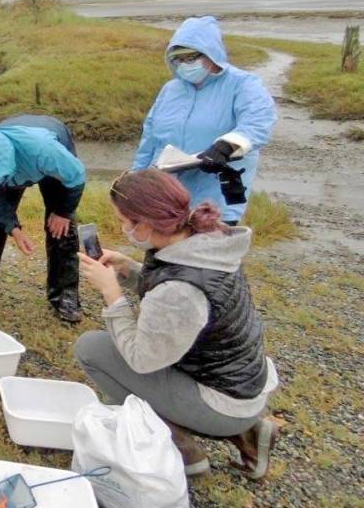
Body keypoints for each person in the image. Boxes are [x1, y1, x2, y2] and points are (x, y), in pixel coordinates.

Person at [75, 169, 280, 479]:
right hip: (240, 385)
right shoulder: (205, 244)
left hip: (224, 403)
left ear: (143, 224)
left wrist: (112, 294)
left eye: (123, 220)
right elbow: (178, 289)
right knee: (116, 350)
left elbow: (141, 358)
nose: (121, 227)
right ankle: (250, 434)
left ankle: (181, 451)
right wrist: (128, 270)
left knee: (92, 348)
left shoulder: (180, 291)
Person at [133, 15, 276, 224]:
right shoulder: (171, 90)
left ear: (211, 53)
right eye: (178, 59)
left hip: (215, 204)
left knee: (207, 255)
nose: (184, 64)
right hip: (166, 203)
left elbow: (258, 122)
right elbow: (150, 139)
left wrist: (226, 146)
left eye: (191, 57)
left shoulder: (243, 85)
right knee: (160, 256)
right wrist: (136, 178)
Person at [0, 114, 87, 323]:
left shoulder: (46, 151)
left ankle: (65, 296)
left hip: (45, 154)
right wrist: (13, 228)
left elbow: (76, 177)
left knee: (61, 229)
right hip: (11, 157)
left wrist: (62, 212)